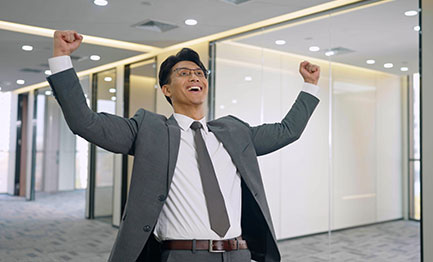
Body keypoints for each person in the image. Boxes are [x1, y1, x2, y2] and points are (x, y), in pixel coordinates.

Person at [47, 30, 320, 262]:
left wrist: (310, 86)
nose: (194, 77)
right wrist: (61, 58)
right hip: (182, 256)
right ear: (166, 89)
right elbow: (87, 123)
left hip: (237, 253)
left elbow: (288, 131)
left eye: (200, 73)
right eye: (183, 73)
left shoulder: (235, 132)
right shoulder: (149, 130)